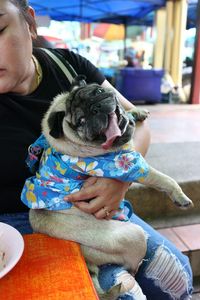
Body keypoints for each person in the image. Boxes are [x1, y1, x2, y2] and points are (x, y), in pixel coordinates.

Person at [0, 1, 193, 299]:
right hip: (17, 225)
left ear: (30, 23)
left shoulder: (69, 66)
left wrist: (120, 179)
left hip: (98, 212)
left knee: (176, 278)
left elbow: (138, 123)